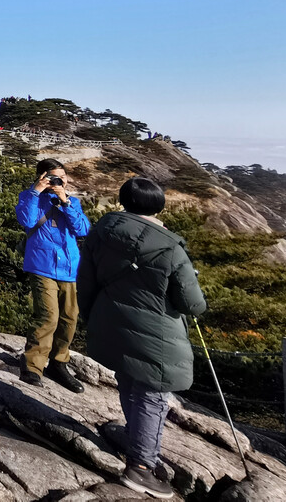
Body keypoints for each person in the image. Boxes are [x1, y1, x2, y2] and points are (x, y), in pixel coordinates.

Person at [79, 177, 206, 499]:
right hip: (155, 333)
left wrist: (92, 318)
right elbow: (192, 304)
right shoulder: (169, 247)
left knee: (128, 379)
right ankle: (142, 468)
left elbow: (85, 282)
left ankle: (133, 435)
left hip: (110, 320)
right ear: (159, 206)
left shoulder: (100, 232)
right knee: (152, 395)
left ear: (124, 202)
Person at [16, 158, 91, 391]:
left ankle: (59, 364)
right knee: (48, 316)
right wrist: (36, 190)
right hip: (42, 265)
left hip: (69, 268)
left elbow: (83, 229)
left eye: (62, 177)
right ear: (42, 177)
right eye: (53, 177)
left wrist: (66, 201)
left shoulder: (71, 201)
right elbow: (26, 220)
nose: (59, 181)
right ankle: (32, 367)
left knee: (69, 319)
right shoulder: (31, 198)